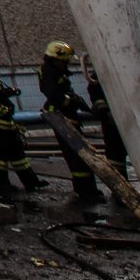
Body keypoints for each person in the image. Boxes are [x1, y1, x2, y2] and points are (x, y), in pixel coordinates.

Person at [0, 45, 44, 199]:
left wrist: (9, 92)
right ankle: (1, 186)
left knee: (17, 154)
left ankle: (31, 181)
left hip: (4, 121)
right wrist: (7, 100)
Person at [40, 40, 103, 203]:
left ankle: (86, 189)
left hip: (66, 116)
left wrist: (75, 100)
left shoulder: (54, 71)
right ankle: (87, 192)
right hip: (62, 118)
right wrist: (72, 101)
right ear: (56, 58)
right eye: (65, 60)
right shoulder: (48, 72)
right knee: (78, 155)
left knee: (79, 154)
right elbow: (55, 96)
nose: (67, 63)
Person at [83, 55, 129, 176]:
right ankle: (121, 185)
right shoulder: (100, 78)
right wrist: (107, 114)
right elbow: (99, 102)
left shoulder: (103, 76)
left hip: (119, 121)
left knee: (116, 155)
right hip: (112, 122)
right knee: (116, 156)